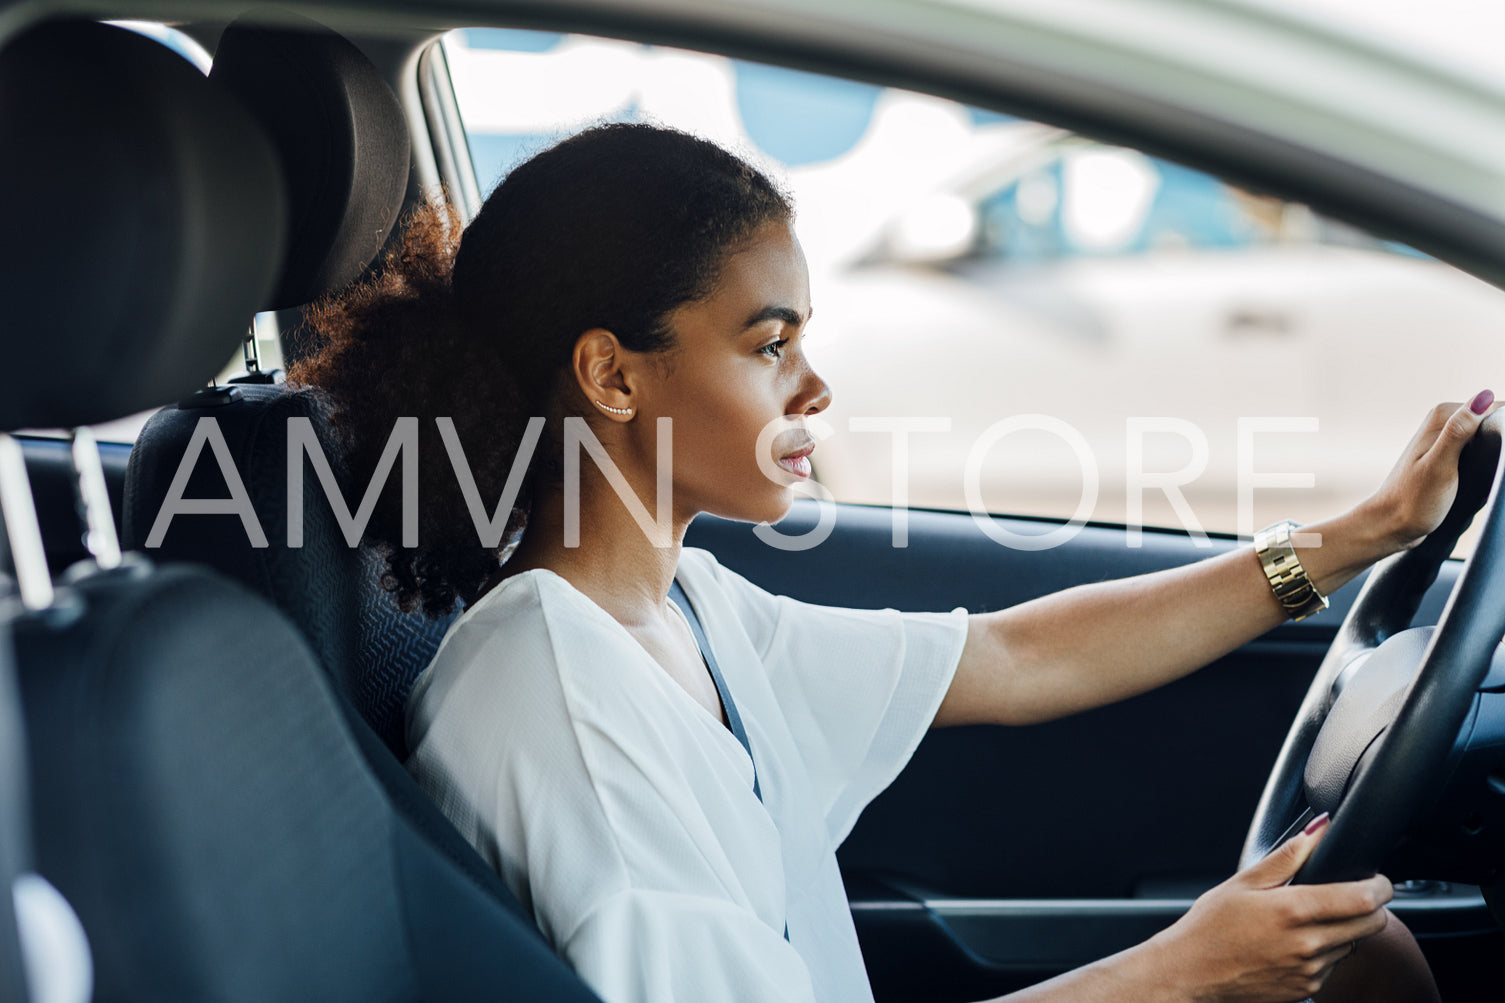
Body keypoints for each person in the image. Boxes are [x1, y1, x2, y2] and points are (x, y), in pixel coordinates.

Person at [291, 123, 1468, 1002]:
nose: (814, 388)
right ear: (612, 375)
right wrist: (1181, 968)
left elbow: (1013, 659)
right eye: (770, 344)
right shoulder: (556, 707)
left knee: (1357, 948)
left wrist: (1356, 537)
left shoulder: (681, 610)